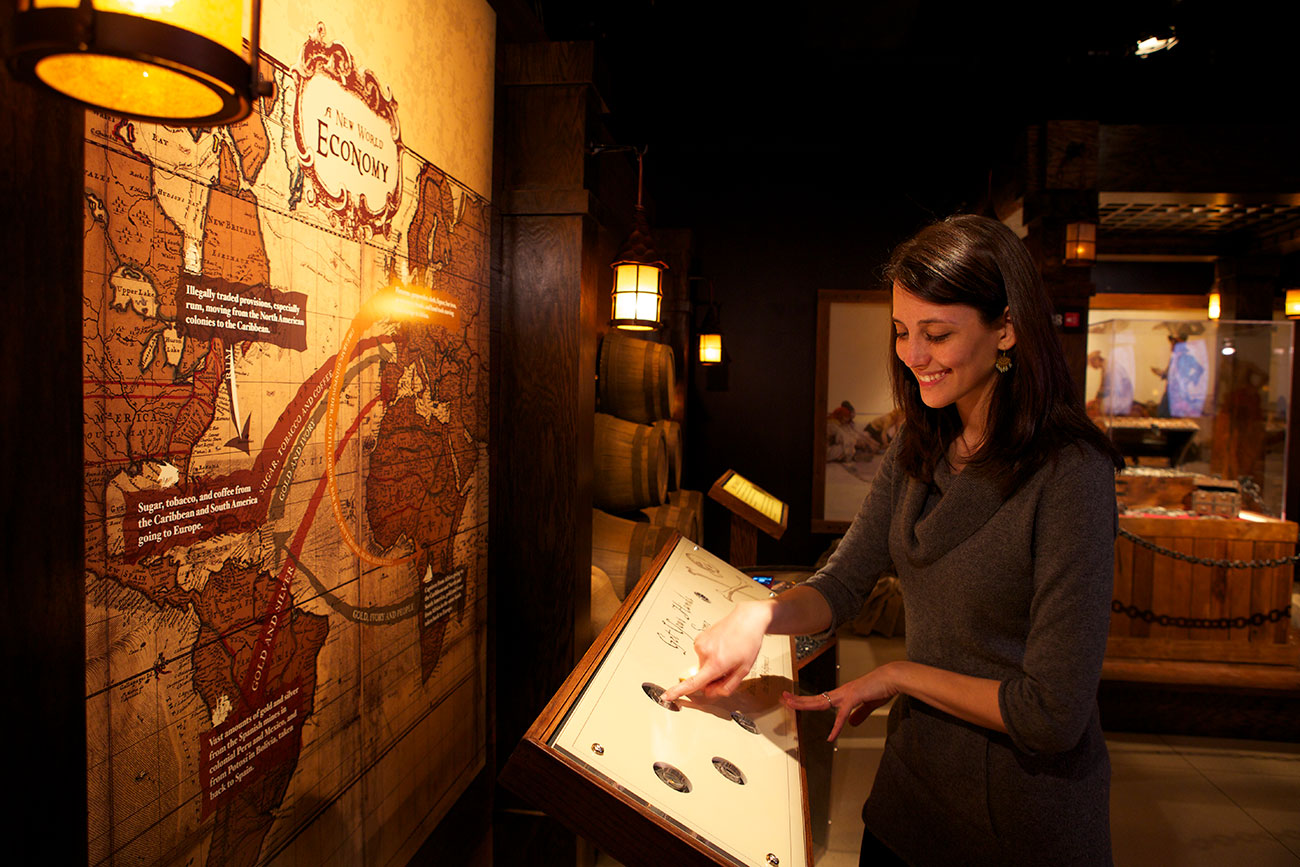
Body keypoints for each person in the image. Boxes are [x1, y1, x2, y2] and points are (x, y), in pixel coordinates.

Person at [663, 214, 1124, 866]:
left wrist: (899, 674)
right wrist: (761, 615)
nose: (913, 355)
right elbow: (843, 582)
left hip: (1019, 820)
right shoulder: (920, 440)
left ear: (1007, 327)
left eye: (937, 334)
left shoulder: (1071, 472)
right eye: (903, 331)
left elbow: (1051, 714)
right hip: (910, 797)